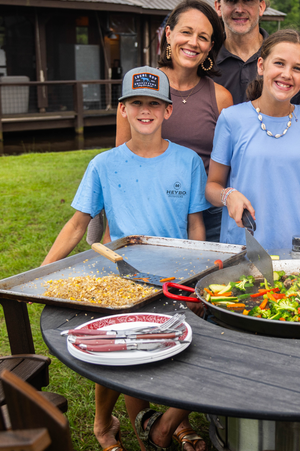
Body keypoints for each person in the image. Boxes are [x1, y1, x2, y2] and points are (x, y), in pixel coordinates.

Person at [44, 67, 210, 451]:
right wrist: (42, 269)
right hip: (122, 278)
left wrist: (198, 275)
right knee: (116, 349)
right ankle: (104, 425)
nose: (145, 111)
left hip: (176, 277)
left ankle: (167, 421)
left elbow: (195, 224)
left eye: (154, 103)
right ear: (122, 109)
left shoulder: (188, 162)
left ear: (168, 111)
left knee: (177, 347)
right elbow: (76, 224)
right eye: (137, 103)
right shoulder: (104, 164)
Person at [115, 0, 233, 244]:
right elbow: (120, 164)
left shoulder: (221, 98)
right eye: (186, 32)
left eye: (203, 37)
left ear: (211, 45)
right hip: (150, 214)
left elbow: (228, 167)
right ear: (168, 34)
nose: (193, 42)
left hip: (208, 218)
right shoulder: (140, 91)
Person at [205, 29, 300, 249]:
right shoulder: (231, 119)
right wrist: (228, 195)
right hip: (244, 249)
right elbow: (212, 187)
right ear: (261, 66)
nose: (287, 74)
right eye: (279, 63)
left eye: (297, 68)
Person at [213, 0, 300, 111]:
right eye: (231, 0)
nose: (239, 9)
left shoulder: (288, 59)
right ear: (218, 7)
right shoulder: (206, 61)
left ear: (261, 7)